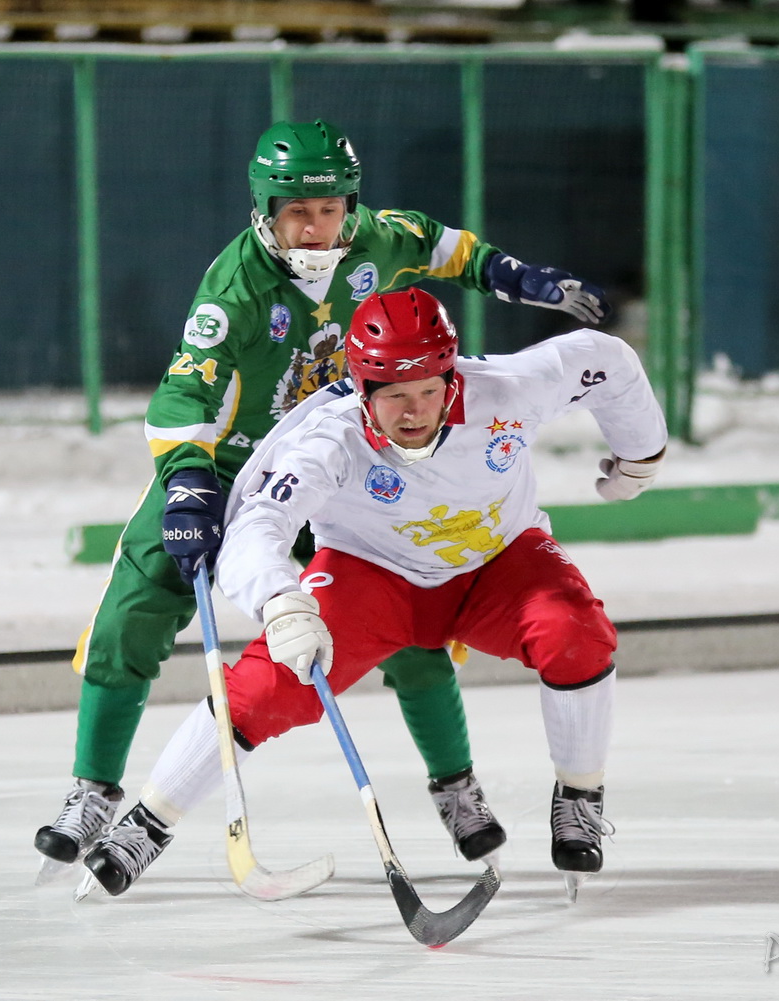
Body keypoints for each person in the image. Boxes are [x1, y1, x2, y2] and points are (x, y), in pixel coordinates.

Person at [36, 120, 613, 871]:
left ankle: (455, 784)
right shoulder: (234, 286)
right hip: (232, 465)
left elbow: (448, 247)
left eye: (330, 209)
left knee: (409, 622)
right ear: (264, 210)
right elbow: (187, 391)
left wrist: (520, 277)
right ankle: (94, 791)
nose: (315, 229)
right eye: (296, 213)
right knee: (134, 607)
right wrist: (185, 484)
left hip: (342, 471)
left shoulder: (376, 235)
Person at [76, 286, 668, 897]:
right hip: (372, 578)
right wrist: (279, 601)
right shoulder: (326, 437)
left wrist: (640, 455)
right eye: (396, 398)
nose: (415, 413)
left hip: (497, 565)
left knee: (577, 636)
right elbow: (257, 525)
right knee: (268, 688)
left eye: (429, 392)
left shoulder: (509, 390)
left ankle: (579, 794)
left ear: (451, 377)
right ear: (363, 388)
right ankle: (146, 826)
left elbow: (608, 360)